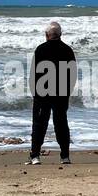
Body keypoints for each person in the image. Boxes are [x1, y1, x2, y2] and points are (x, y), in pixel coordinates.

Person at [28, 20, 76, 165]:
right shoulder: (67, 50)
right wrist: (67, 92)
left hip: (42, 92)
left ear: (46, 35)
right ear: (60, 35)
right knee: (61, 123)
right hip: (61, 92)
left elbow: (33, 74)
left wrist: (34, 93)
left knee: (39, 124)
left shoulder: (40, 49)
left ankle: (35, 156)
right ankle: (65, 156)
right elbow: (72, 75)